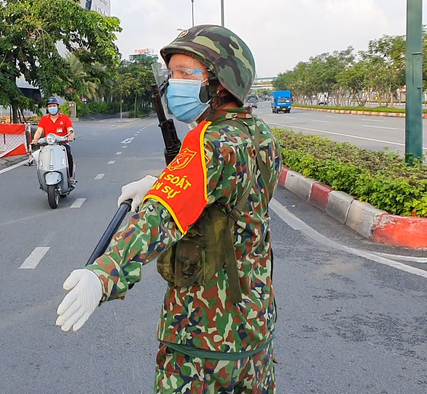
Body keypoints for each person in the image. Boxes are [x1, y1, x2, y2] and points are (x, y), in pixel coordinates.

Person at [55, 25, 282, 393]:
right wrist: (160, 181)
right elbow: (223, 196)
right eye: (171, 74)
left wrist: (103, 275)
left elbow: (158, 218)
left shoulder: (207, 143)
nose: (173, 84)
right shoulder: (258, 135)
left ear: (219, 83)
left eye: (184, 74)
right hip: (254, 329)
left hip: (203, 341)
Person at [32, 97, 76, 183]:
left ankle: (70, 177)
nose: (52, 108)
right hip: (48, 145)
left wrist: (71, 136)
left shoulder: (65, 118)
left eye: (54, 105)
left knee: (68, 155)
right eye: (50, 106)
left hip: (62, 144)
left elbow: (70, 129)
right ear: (47, 108)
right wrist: (35, 139)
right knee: (40, 158)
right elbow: (39, 131)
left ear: (58, 106)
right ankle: (42, 178)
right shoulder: (44, 119)